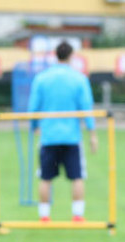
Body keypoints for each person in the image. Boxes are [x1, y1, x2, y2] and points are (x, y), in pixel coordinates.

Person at [28, 41, 98, 222]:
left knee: (45, 177)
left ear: (55, 55)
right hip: (71, 137)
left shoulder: (42, 78)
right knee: (77, 177)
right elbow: (86, 108)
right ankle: (78, 215)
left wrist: (34, 126)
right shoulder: (79, 79)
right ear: (71, 56)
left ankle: (44, 216)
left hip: (48, 136)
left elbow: (33, 107)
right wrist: (92, 134)